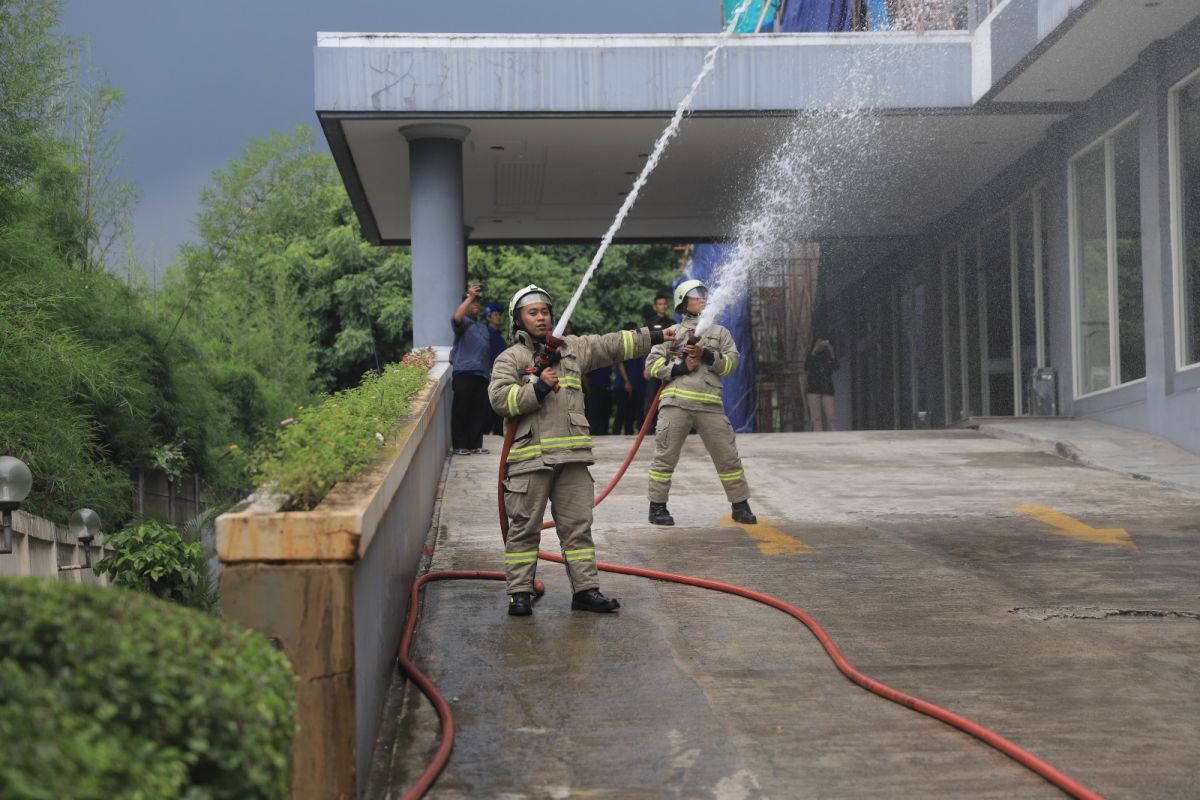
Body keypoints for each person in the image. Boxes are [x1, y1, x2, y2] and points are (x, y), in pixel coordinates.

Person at [490, 284, 675, 616]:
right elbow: (500, 400)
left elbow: (613, 344)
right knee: (524, 529)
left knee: (578, 527)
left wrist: (659, 335)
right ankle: (519, 593)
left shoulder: (573, 349)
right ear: (519, 319)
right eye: (533, 312)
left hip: (572, 459)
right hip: (530, 460)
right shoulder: (511, 358)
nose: (542, 317)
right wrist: (538, 388)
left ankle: (586, 590)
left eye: (545, 311)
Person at [644, 279, 756, 527]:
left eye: (704, 295)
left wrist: (706, 354)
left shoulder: (720, 333)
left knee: (728, 457)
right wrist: (681, 366)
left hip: (710, 406)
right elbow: (652, 366)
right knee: (665, 457)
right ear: (683, 303)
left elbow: (731, 364)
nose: (702, 299)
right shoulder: (672, 333)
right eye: (696, 295)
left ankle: (740, 505)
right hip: (676, 404)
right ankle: (657, 507)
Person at [449, 284, 492, 455]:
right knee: (461, 410)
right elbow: (456, 316)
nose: (475, 305)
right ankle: (459, 445)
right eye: (472, 303)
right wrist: (469, 297)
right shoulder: (462, 323)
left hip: (481, 374)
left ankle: (475, 444)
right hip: (464, 372)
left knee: (478, 411)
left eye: (477, 303)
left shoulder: (482, 327)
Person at [643, 294, 675, 432]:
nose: (663, 306)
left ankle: (667, 428)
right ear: (655, 307)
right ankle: (650, 429)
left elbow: (676, 346)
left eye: (664, 303)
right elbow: (644, 346)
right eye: (660, 304)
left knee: (668, 398)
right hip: (654, 366)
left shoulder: (673, 323)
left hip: (669, 367)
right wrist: (646, 366)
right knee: (651, 398)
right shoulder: (649, 324)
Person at [613, 322, 647, 435]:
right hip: (623, 385)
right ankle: (615, 435)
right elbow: (620, 363)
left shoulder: (638, 346)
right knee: (621, 413)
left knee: (631, 415)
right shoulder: (622, 345)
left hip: (637, 385)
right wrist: (626, 381)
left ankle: (629, 435)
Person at [805, 338, 839, 432]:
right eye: (819, 343)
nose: (821, 345)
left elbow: (836, 367)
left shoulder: (827, 356)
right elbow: (806, 367)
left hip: (827, 389)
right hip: (813, 388)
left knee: (831, 416)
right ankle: (818, 436)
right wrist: (814, 350)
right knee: (816, 418)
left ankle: (834, 434)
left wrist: (832, 353)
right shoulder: (811, 356)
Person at [485, 303, 508, 436]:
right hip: (491, 375)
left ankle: (498, 430)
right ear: (488, 317)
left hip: (500, 374)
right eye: (495, 315)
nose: (498, 317)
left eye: (499, 315)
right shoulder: (487, 335)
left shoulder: (498, 335)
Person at [584, 361, 613, 436]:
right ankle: (594, 432)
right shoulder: (592, 361)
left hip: (606, 388)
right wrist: (589, 391)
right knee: (594, 413)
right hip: (595, 389)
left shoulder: (608, 362)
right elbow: (585, 376)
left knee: (605, 413)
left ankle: (604, 432)